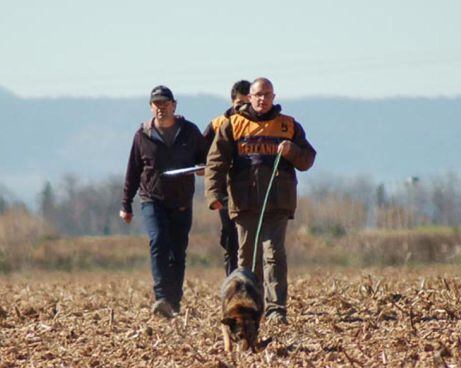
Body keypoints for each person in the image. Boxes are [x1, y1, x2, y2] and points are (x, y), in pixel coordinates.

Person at [205, 77, 316, 324]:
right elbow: (215, 162)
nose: (262, 99)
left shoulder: (288, 126)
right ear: (250, 97)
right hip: (244, 203)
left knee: (274, 255)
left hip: (278, 202)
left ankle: (276, 309)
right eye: (258, 95)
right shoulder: (233, 125)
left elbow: (307, 159)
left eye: (267, 95)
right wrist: (213, 194)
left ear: (273, 97)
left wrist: (292, 151)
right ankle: (249, 306)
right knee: (247, 257)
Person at [121, 85, 207, 318]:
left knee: (177, 252)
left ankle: (174, 302)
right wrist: (126, 204)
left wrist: (203, 168)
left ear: (174, 105)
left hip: (181, 201)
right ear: (151, 107)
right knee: (158, 241)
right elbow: (133, 171)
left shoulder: (189, 132)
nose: (161, 108)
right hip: (152, 199)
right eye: (156, 104)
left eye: (165, 103)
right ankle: (161, 297)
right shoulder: (142, 135)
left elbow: (207, 159)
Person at [202, 80, 251, 276]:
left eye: (248, 103)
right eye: (240, 104)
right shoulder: (217, 124)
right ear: (232, 102)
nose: (243, 108)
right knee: (231, 238)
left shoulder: (257, 123)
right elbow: (201, 152)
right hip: (225, 193)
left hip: (251, 190)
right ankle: (232, 281)